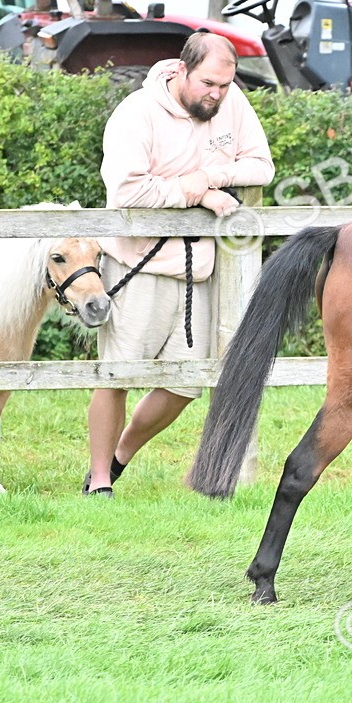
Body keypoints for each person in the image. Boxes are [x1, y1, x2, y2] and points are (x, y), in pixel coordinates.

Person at [83, 32, 274, 498]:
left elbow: (261, 166)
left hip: (200, 271)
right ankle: (99, 483)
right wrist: (192, 193)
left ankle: (119, 457)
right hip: (139, 267)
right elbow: (128, 193)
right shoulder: (136, 114)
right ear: (182, 70)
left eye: (225, 85)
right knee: (119, 374)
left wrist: (212, 176)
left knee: (186, 385)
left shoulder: (231, 104)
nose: (217, 93)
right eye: (209, 83)